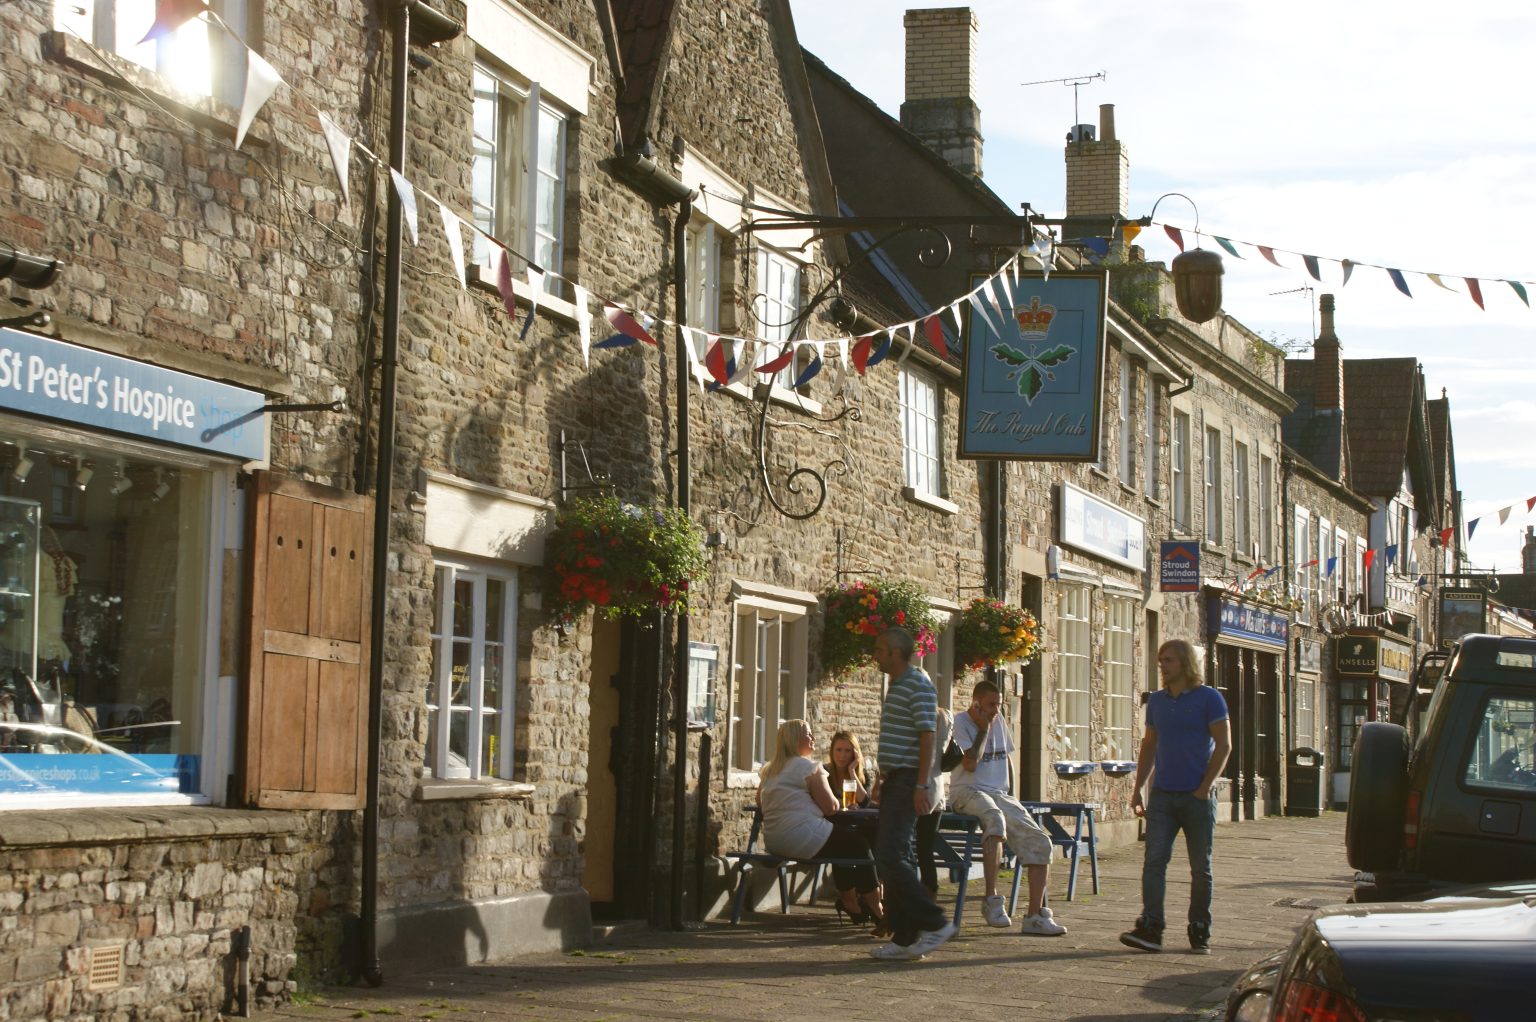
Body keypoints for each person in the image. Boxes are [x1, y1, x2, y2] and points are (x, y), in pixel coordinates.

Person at [1120, 639, 1232, 955]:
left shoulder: (1209, 699)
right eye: (1161, 661)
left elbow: (1224, 746)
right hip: (1163, 796)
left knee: (1200, 866)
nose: (1163, 666)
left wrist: (1204, 787)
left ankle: (1199, 928)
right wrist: (1139, 789)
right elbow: (1149, 745)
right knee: (1154, 861)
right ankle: (1151, 926)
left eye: (1168, 660)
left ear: (1184, 663)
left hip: (1196, 797)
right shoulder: (1156, 702)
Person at [948, 679, 1067, 935]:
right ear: (976, 703)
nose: (995, 710)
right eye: (991, 705)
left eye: (998, 705)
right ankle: (991, 899)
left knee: (1041, 841)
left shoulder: (998, 720)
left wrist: (1011, 794)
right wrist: (982, 729)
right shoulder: (960, 723)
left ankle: (1035, 915)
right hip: (967, 791)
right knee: (994, 819)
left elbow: (1007, 757)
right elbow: (970, 764)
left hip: (998, 792)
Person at [868, 627, 957, 960]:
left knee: (890, 856)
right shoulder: (899, 685)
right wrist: (883, 777)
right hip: (896, 779)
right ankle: (905, 939)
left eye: (878, 648)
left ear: (894, 651)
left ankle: (935, 923)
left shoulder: (917, 685)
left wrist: (921, 784)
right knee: (896, 858)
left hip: (908, 782)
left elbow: (927, 736)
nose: (874, 654)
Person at [758, 719, 884, 926]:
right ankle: (877, 908)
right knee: (859, 845)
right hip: (802, 837)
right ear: (794, 740)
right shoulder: (809, 767)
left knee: (845, 844)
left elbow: (760, 803)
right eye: (808, 734)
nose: (813, 738)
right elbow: (831, 808)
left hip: (774, 840)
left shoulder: (770, 770)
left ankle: (851, 902)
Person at [915, 706, 962, 895]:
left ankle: (919, 895)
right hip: (936, 788)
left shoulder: (922, 716)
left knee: (908, 847)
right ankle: (929, 891)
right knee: (924, 847)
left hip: (919, 786)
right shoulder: (946, 717)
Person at [826, 730, 874, 808]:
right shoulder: (824, 772)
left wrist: (852, 771)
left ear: (854, 753)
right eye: (838, 750)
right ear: (832, 751)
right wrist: (844, 803)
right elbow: (821, 799)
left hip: (854, 818)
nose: (842, 755)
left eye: (847, 751)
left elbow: (864, 802)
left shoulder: (863, 775)